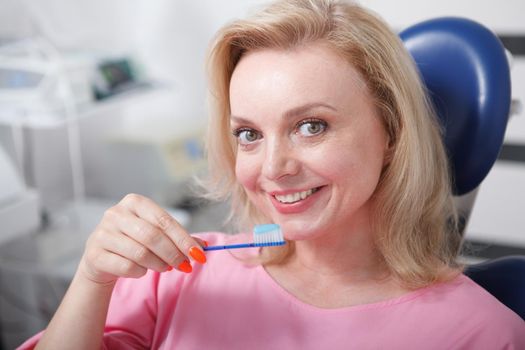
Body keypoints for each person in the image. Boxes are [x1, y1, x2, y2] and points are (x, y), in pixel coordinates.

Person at [20, 0, 525, 349]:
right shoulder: (173, 278)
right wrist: (92, 278)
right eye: (249, 134)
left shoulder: (482, 333)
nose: (273, 168)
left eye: (311, 126)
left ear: (391, 132)